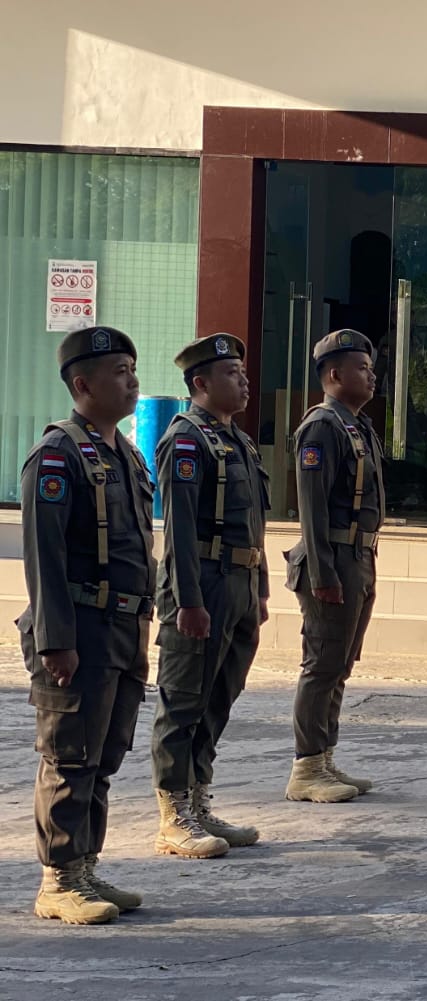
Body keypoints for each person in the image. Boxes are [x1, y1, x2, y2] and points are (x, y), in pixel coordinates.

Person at [17, 326, 153, 923]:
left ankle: (86, 867)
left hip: (123, 627)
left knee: (104, 754)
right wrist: (56, 640)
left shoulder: (125, 454)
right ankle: (59, 879)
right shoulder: (57, 455)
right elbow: (43, 557)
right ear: (82, 384)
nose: (133, 381)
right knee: (70, 755)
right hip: (80, 627)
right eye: (119, 371)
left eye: (132, 369)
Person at [148, 334, 270, 858]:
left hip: (239, 583)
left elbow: (254, 522)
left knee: (219, 697)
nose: (243, 381)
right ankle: (173, 814)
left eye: (242, 372)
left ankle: (198, 799)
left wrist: (260, 589)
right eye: (230, 374)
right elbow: (178, 529)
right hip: (203, 582)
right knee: (183, 700)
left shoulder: (237, 440)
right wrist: (188, 601)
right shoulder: (186, 439)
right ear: (200, 383)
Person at [283, 329, 385, 802]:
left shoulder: (357, 426)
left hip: (359, 556)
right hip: (333, 558)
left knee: (340, 665)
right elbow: (312, 507)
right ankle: (305, 768)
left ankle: (324, 757)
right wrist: (323, 574)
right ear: (334, 375)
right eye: (361, 368)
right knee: (322, 664)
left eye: (370, 367)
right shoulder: (322, 427)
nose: (371, 376)